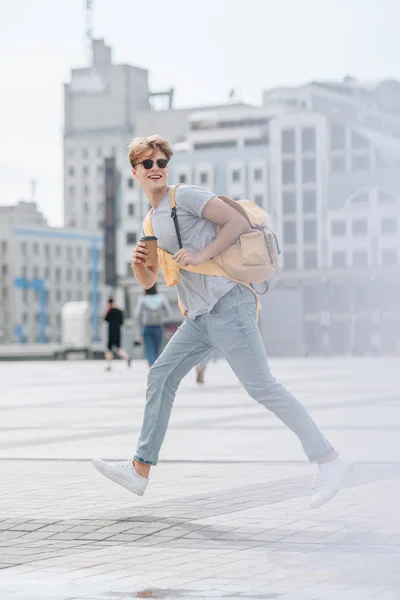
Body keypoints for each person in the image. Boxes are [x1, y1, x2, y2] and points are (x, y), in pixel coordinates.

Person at [93, 134, 353, 508]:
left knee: (262, 386)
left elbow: (237, 220)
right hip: (199, 317)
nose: (155, 169)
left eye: (161, 162)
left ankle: (330, 461)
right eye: (147, 163)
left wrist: (203, 253)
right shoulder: (150, 221)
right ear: (134, 170)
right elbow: (150, 281)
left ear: (168, 166)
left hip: (229, 303)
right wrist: (138, 267)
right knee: (161, 375)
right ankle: (140, 469)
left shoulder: (185, 196)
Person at [134, 284, 172, 368]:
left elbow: (137, 315)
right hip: (159, 326)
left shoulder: (142, 299)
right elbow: (168, 313)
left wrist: (138, 332)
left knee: (149, 347)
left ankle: (151, 364)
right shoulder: (162, 297)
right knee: (158, 347)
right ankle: (157, 364)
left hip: (147, 326)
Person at [104, 298, 131, 371]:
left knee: (109, 349)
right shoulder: (120, 311)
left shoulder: (110, 311)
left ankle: (108, 365)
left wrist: (108, 310)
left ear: (109, 303)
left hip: (111, 332)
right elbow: (122, 322)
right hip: (118, 331)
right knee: (119, 348)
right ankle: (127, 358)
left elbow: (105, 319)